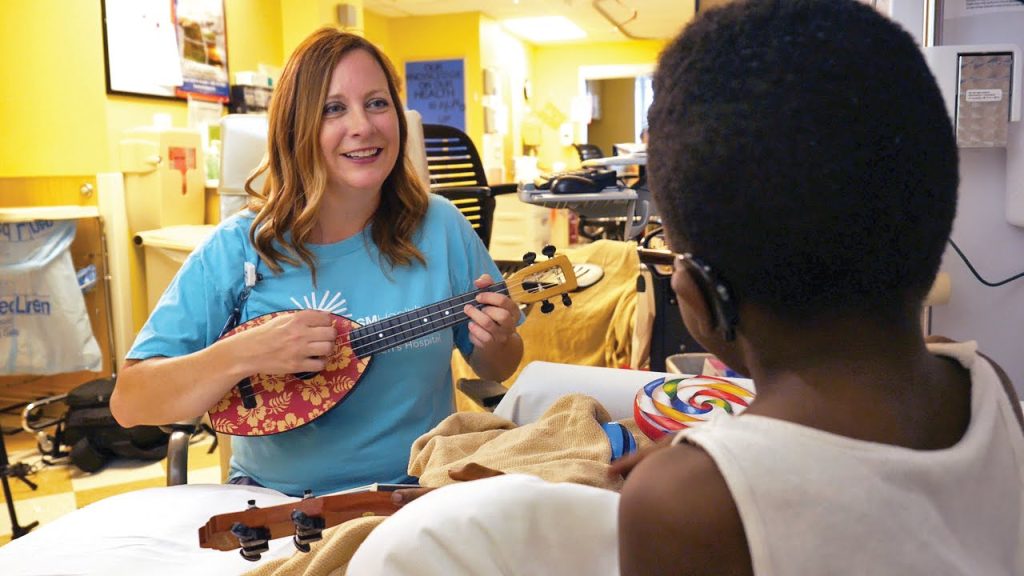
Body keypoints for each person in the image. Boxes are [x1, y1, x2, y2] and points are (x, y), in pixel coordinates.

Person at [348, 1, 1023, 574]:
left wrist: (706, 472)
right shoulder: (989, 387)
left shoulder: (686, 503)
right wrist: (719, 451)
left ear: (695, 299)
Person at [110, 28, 523, 497]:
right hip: (280, 507)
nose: (363, 126)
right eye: (333, 108)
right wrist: (242, 354)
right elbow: (130, 402)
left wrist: (499, 337)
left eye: (377, 103)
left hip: (420, 493)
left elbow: (496, 368)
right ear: (295, 127)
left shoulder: (441, 226)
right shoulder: (239, 249)